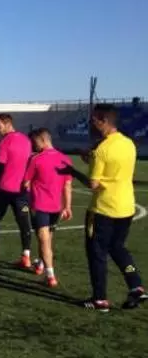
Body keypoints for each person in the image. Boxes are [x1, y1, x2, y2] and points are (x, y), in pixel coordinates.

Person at [58, 104, 145, 311]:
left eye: (93, 120)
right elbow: (112, 165)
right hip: (125, 206)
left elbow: (94, 184)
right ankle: (136, 286)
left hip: (103, 209)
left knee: (97, 253)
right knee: (118, 247)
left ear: (103, 121)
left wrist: (71, 171)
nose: (91, 125)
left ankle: (99, 299)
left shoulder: (102, 150)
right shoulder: (128, 143)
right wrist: (89, 157)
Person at [0, 114, 33, 268]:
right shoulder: (26, 140)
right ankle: (26, 256)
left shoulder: (4, 142)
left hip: (4, 189)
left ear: (8, 124)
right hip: (22, 190)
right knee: (24, 222)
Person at [23, 128, 72, 288]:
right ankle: (41, 264)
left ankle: (50, 276)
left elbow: (26, 183)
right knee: (47, 238)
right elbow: (67, 185)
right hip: (56, 207)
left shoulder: (36, 159)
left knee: (43, 239)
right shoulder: (65, 159)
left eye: (35, 142)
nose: (33, 145)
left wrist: (28, 191)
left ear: (43, 140)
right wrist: (67, 206)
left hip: (40, 205)